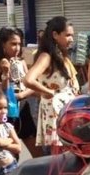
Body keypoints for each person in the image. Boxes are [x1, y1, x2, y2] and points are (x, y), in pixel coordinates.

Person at [24, 16, 79, 154]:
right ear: (55, 35)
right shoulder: (46, 56)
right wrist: (49, 92)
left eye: (72, 35)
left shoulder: (60, 55)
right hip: (55, 113)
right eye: (67, 35)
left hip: (66, 112)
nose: (71, 39)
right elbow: (28, 80)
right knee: (59, 160)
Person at [0, 27, 42, 158]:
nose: (17, 47)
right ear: (3, 44)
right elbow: (0, 94)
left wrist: (22, 95)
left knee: (38, 154)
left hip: (25, 111)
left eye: (19, 44)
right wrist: (5, 73)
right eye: (13, 44)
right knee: (11, 156)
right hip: (7, 115)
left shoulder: (21, 61)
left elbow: (32, 85)